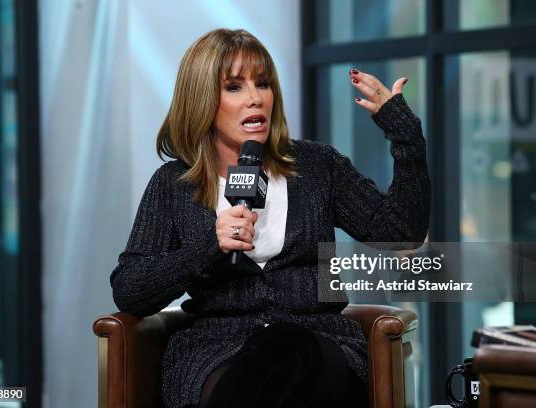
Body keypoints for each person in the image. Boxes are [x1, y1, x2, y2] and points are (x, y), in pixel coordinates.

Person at [110, 28, 430, 408]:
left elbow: (401, 233)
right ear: (202, 100)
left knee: (287, 343)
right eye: (234, 87)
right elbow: (130, 290)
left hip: (317, 345)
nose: (255, 99)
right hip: (215, 353)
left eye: (263, 84)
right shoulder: (174, 184)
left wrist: (406, 137)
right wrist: (207, 248)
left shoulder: (316, 167)